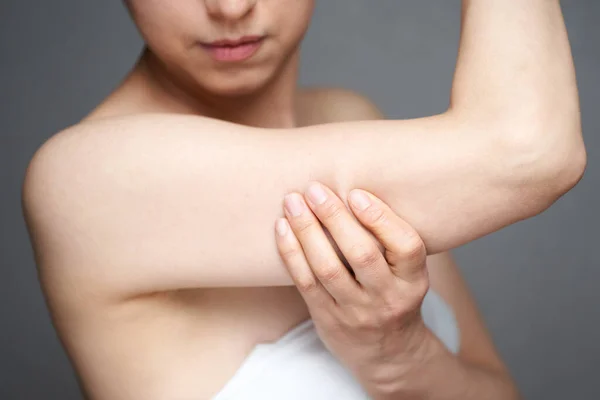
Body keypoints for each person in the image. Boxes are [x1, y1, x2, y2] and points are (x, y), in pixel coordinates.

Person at [21, 0, 584, 399]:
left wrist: (401, 361)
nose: (230, 6)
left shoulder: (349, 118)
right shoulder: (91, 179)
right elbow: (531, 152)